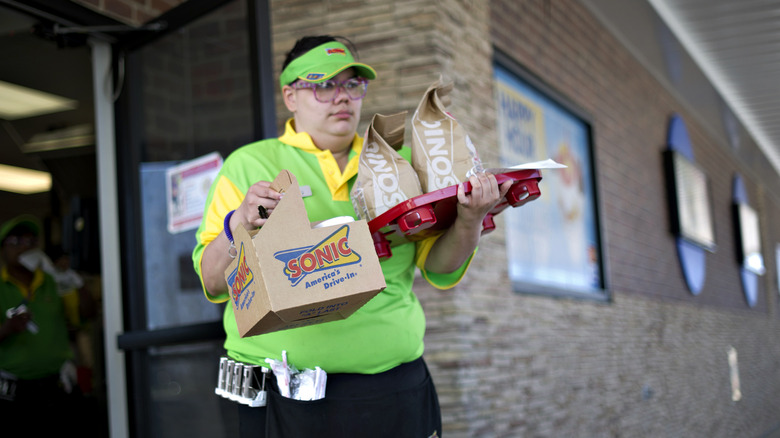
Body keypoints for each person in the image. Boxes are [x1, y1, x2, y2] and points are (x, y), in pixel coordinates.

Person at [192, 35, 512, 437]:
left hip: (396, 386)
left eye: (352, 85)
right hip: (281, 394)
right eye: (324, 85)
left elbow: (439, 268)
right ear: (290, 96)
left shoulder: (394, 161)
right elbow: (213, 280)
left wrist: (469, 220)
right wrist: (240, 221)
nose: (342, 97)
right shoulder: (249, 164)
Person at [0, 215, 88, 434]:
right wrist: (6, 329)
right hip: (14, 393)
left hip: (57, 387)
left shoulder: (52, 281)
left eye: (30, 241)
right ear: (3, 249)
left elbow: (86, 314)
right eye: (16, 241)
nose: (24, 247)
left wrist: (74, 280)